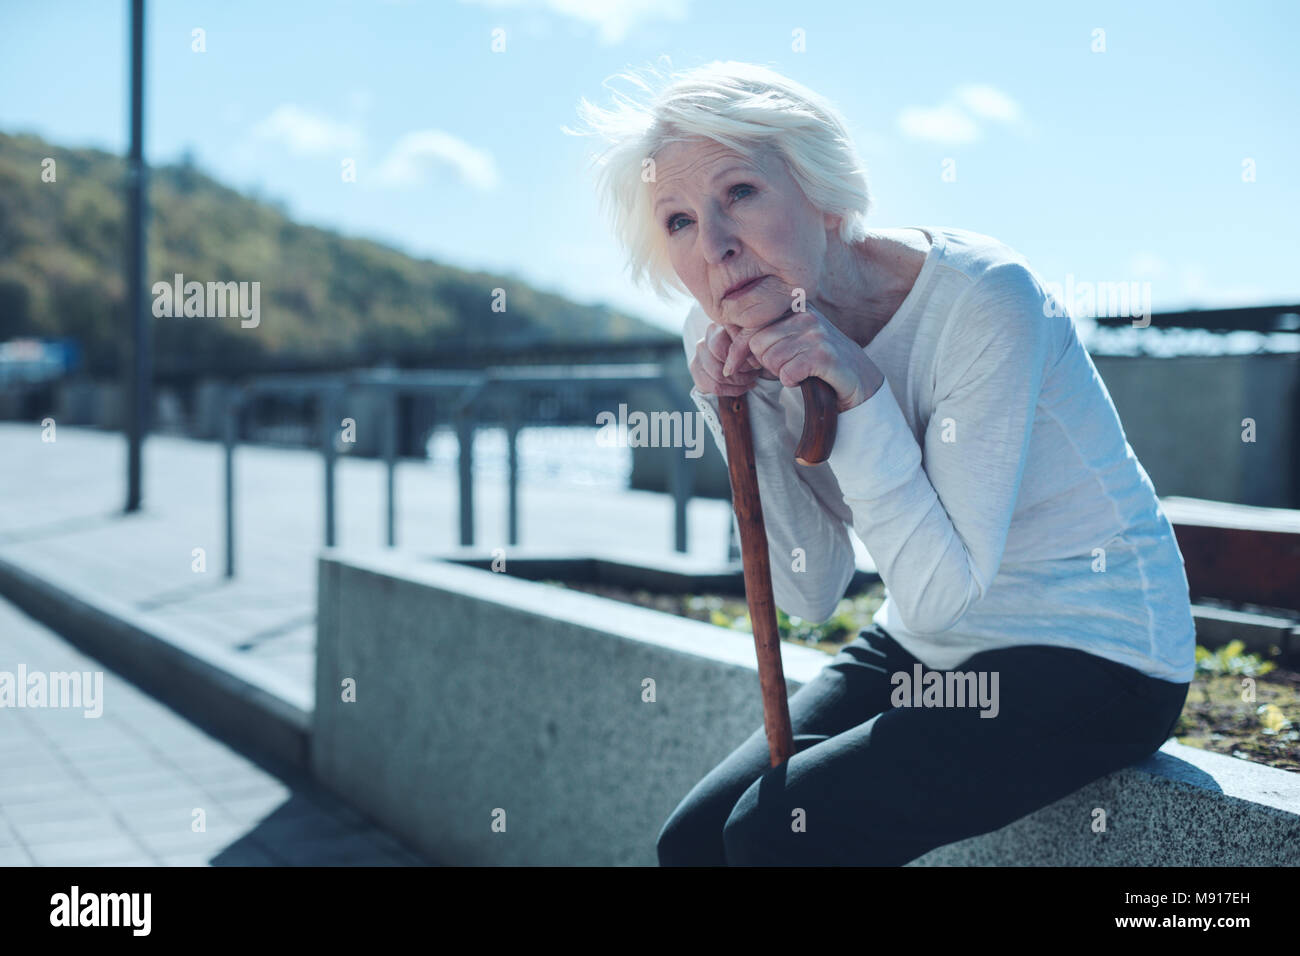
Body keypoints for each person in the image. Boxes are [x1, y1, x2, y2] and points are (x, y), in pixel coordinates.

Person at [569, 60, 1194, 866]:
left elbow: (940, 595)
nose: (717, 246)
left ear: (822, 192)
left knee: (774, 837)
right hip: (930, 646)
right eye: (680, 221)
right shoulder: (721, 335)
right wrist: (744, 410)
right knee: (692, 845)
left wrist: (861, 396)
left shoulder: (984, 297)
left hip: (1101, 652)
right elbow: (808, 589)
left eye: (741, 194)